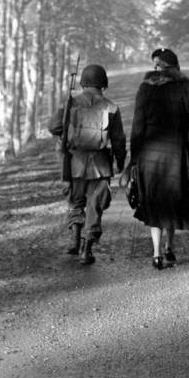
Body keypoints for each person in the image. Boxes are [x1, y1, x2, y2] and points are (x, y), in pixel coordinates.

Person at [130, 48, 189, 269]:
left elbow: (137, 127)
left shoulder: (145, 88)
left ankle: (156, 254)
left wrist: (133, 160)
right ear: (175, 67)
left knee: (155, 201)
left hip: (149, 155)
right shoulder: (186, 86)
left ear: (156, 66)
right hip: (176, 154)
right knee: (172, 199)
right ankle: (169, 248)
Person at [49, 64, 126, 265]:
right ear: (104, 85)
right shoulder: (111, 107)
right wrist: (120, 161)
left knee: (76, 202)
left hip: (74, 162)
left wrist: (64, 127)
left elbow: (53, 127)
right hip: (101, 165)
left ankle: (74, 240)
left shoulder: (71, 103)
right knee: (95, 206)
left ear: (83, 83)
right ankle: (87, 250)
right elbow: (118, 139)